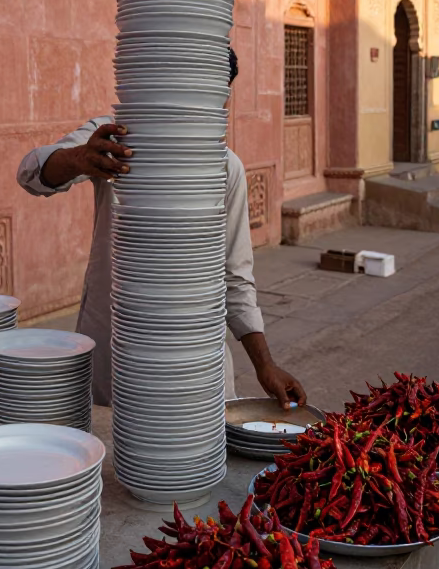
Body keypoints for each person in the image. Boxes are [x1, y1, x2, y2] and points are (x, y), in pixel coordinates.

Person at [17, 52, 306, 411]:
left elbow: (234, 276)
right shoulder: (114, 139)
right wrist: (78, 159)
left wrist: (264, 365)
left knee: (196, 433)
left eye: (217, 95)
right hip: (116, 343)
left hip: (196, 356)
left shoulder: (227, 169)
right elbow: (30, 174)